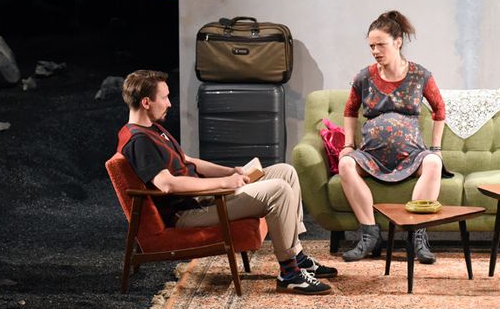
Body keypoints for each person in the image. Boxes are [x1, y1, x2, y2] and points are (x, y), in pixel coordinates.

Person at [117, 70, 338, 295]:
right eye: (164, 97)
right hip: (190, 212)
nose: (169, 103)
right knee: (278, 190)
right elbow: (167, 184)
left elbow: (189, 161)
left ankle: (298, 257)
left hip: (206, 199)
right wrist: (224, 183)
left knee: (285, 172)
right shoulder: (139, 141)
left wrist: (232, 171)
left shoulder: (153, 129)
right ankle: (289, 274)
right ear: (146, 102)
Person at [338, 11, 448, 264]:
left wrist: (436, 148)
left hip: (412, 155)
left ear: (397, 42)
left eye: (381, 44)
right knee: (345, 164)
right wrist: (348, 145)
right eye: (371, 46)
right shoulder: (364, 77)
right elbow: (350, 110)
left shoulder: (420, 75)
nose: (375, 51)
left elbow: (440, 109)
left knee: (433, 163)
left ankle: (417, 236)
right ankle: (370, 234)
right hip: (371, 155)